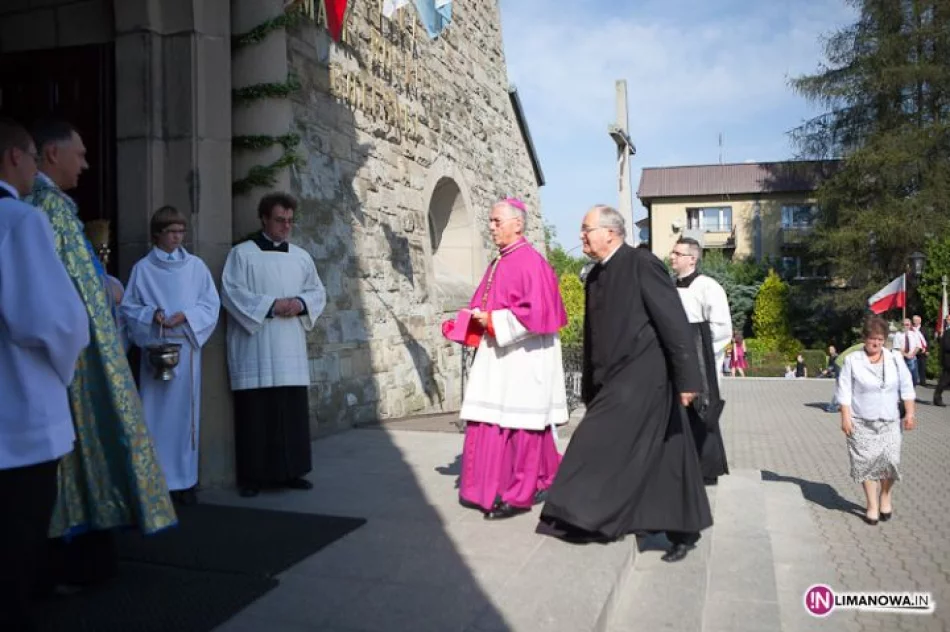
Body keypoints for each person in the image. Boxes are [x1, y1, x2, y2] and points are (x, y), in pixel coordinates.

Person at [26, 119, 176, 588]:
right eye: (80, 154)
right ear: (52, 154)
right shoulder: (47, 208)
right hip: (72, 365)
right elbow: (69, 300)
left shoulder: (53, 208)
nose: (86, 164)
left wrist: (104, 281)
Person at [536, 205, 711, 563]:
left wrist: (688, 379)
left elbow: (674, 323)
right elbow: (594, 336)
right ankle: (682, 528)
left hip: (644, 378)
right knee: (663, 454)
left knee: (591, 441)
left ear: (611, 233)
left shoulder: (641, 264)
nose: (581, 236)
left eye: (587, 229)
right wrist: (590, 382)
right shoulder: (597, 275)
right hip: (613, 379)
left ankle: (578, 515)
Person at [0, 118, 90, 632]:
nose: (37, 168)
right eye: (33, 158)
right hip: (20, 415)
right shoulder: (20, 220)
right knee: (16, 540)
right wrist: (68, 369)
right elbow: (55, 321)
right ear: (15, 157)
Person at [453, 198, 568, 520]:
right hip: (501, 355)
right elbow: (486, 305)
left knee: (522, 425)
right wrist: (468, 322)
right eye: (490, 221)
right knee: (498, 421)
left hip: (524, 359)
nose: (491, 228)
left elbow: (537, 314)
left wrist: (491, 322)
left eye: (496, 221)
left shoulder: (531, 262)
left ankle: (519, 493)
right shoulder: (499, 262)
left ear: (518, 224)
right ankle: (522, 481)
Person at [221, 192, 327, 498]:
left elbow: (317, 292)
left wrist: (301, 302)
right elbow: (231, 293)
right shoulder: (242, 255)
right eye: (280, 220)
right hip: (255, 346)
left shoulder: (301, 256)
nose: (286, 226)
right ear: (264, 219)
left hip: (289, 348)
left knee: (289, 412)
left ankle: (291, 471)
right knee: (256, 414)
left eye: (290, 221)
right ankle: (253, 476)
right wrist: (271, 305)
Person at [121, 206, 221, 505]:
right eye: (172, 232)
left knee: (184, 418)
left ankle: (185, 481)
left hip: (186, 349)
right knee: (155, 414)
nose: (179, 238)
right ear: (157, 234)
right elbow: (128, 308)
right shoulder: (143, 269)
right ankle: (155, 482)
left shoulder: (196, 267)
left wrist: (186, 317)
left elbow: (210, 305)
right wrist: (153, 315)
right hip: (156, 347)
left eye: (182, 232)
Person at [836, 316, 916, 526]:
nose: (877, 344)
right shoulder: (853, 360)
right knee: (865, 464)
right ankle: (872, 504)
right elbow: (844, 390)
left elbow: (907, 387)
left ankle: (885, 495)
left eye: (880, 340)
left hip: (889, 421)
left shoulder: (895, 358)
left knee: (891, 462)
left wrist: (909, 413)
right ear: (864, 338)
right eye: (873, 339)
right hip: (861, 421)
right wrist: (845, 416)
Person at [669, 236, 731, 486]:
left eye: (677, 253)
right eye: (672, 253)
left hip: (702, 360)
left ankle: (707, 468)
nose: (671, 257)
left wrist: (693, 342)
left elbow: (722, 327)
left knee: (702, 413)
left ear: (692, 258)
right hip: (678, 359)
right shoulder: (670, 286)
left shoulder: (708, 286)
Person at [891, 317, 923, 386]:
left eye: (907, 324)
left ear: (910, 325)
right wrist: (906, 355)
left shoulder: (914, 334)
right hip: (902, 358)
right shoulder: (898, 334)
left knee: (914, 378)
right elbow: (897, 347)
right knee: (903, 378)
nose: (905, 326)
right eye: (903, 324)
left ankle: (912, 391)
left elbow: (918, 346)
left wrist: (912, 354)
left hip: (912, 358)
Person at [934, 315, 950, 407]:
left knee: (944, 380)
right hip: (948, 362)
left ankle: (937, 397)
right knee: (944, 381)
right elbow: (947, 346)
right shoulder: (948, 332)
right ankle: (937, 398)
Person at [912, 315, 928, 386]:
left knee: (922, 367)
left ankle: (923, 381)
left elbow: (927, 340)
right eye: (914, 320)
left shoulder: (924, 329)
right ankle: (913, 380)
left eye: (917, 320)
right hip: (913, 350)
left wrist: (927, 350)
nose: (915, 321)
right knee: (913, 366)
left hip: (922, 350)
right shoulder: (911, 329)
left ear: (920, 321)